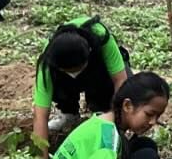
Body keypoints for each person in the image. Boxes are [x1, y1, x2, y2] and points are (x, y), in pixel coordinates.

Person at [31, 15, 130, 149]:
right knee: (55, 81)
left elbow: (120, 81)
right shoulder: (47, 61)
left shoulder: (101, 37)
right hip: (63, 73)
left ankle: (101, 110)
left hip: (99, 71)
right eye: (68, 71)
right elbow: (40, 115)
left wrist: (116, 123)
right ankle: (68, 112)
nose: (73, 75)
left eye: (77, 69)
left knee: (122, 89)